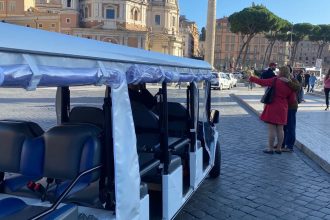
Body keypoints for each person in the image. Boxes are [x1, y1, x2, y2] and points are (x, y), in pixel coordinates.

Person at [249, 66, 296, 154]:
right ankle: (279, 148)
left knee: (271, 129)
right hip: (283, 107)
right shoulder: (290, 83)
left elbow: (262, 82)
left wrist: (251, 78)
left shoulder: (275, 80)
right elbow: (292, 99)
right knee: (280, 129)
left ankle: (270, 149)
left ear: (281, 72)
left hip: (273, 106)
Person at [279, 66, 301, 152]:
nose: (278, 73)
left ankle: (289, 146)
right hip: (283, 107)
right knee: (283, 127)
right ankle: (282, 144)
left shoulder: (292, 80)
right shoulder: (279, 79)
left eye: (280, 71)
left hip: (291, 107)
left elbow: (298, 88)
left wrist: (288, 82)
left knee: (290, 126)